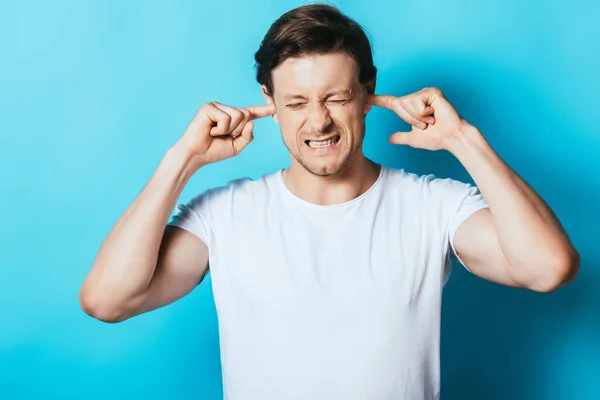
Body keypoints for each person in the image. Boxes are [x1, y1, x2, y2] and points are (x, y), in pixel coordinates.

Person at [79, 4, 580, 399]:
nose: (317, 122)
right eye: (296, 103)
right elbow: (107, 300)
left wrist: (463, 141)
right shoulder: (224, 215)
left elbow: (547, 268)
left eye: (336, 99)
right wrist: (182, 160)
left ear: (368, 93)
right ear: (270, 103)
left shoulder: (434, 206)